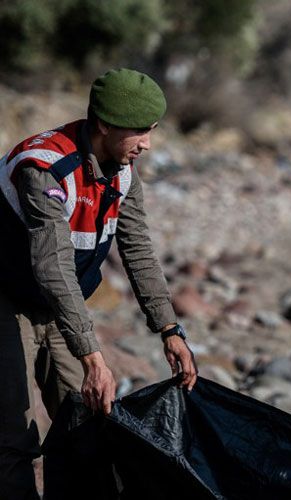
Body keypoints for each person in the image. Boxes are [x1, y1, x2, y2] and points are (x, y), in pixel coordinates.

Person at [0, 68, 197, 499]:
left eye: (152, 131)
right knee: (13, 437)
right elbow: (52, 266)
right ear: (103, 124)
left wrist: (169, 329)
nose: (148, 144)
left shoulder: (124, 173)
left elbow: (138, 250)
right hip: (7, 297)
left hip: (56, 305)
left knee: (88, 422)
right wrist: (93, 356)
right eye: (139, 132)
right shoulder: (45, 168)